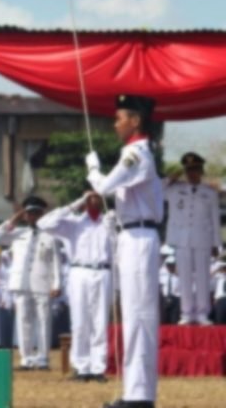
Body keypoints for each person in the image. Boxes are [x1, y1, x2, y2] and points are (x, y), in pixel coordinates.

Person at [86, 94, 163, 408]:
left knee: (140, 315)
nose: (115, 123)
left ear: (135, 121)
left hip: (140, 237)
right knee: (132, 315)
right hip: (131, 234)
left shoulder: (136, 154)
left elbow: (103, 187)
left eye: (120, 118)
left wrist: (92, 169)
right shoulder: (134, 153)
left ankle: (141, 394)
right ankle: (135, 391)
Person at [37, 191, 114, 382]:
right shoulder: (74, 222)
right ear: (86, 200)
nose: (94, 199)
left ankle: (98, 368)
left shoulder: (109, 222)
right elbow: (43, 223)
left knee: (100, 322)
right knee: (80, 322)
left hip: (103, 271)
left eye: (98, 195)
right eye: (90, 196)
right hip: (79, 271)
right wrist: (75, 203)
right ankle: (81, 367)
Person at [0, 196, 62, 370]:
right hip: (21, 283)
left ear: (42, 214)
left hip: (42, 282)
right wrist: (15, 218)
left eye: (36, 213)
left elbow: (56, 261)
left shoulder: (50, 236)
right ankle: (26, 358)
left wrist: (57, 284)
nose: (33, 217)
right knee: (23, 320)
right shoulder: (17, 234)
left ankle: (43, 358)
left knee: (43, 320)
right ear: (25, 215)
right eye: (30, 213)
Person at [164, 152, 221, 325]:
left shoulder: (209, 193)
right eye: (188, 170)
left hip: (203, 238)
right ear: (185, 172)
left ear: (201, 171)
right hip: (182, 239)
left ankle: (203, 313)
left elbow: (215, 219)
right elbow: (158, 192)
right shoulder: (174, 190)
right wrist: (171, 179)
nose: (192, 174)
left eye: (195, 170)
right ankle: (186, 312)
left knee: (203, 275)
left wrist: (216, 243)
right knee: (185, 276)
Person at [159, 256, 181, 325]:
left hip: (176, 298)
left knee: (174, 320)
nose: (170, 266)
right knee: (164, 319)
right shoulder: (161, 274)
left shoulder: (179, 275)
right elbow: (160, 286)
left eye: (172, 264)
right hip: (165, 298)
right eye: (169, 265)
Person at [213, 258, 226, 324]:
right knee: (219, 319)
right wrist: (218, 268)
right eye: (223, 269)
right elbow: (210, 274)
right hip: (220, 299)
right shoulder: (219, 276)